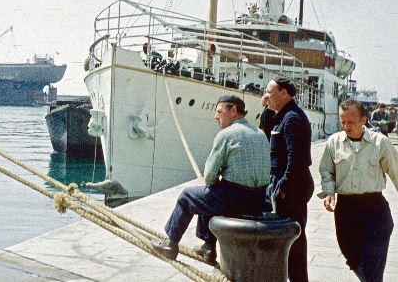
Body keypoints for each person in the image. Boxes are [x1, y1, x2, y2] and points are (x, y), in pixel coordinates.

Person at [151, 95, 270, 263]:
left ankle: (170, 244)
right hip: (258, 201)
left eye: (219, 112)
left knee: (189, 196)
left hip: (234, 200)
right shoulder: (261, 135)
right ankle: (207, 248)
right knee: (209, 195)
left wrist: (215, 184)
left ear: (233, 111)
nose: (216, 116)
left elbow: (209, 176)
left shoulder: (226, 135)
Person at [319, 99, 398, 282]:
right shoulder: (333, 143)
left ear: (363, 120)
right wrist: (329, 192)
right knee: (353, 259)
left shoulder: (380, 143)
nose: (346, 127)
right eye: (342, 122)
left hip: (375, 210)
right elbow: (326, 171)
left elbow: (396, 172)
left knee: (372, 264)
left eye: (351, 122)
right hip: (346, 211)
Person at [263, 77, 314, 282]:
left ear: (284, 93)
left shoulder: (292, 118)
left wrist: (283, 186)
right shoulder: (281, 115)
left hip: (291, 187)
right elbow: (267, 133)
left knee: (294, 240)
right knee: (288, 238)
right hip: (283, 183)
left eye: (269, 92)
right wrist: (267, 107)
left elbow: (297, 158)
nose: (265, 95)